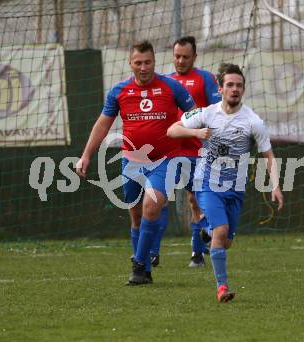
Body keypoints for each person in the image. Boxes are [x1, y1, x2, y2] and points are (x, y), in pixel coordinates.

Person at [76, 40, 195, 285]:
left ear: (155, 61)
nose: (143, 67)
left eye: (148, 62)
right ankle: (145, 267)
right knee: (136, 217)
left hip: (166, 160)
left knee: (151, 206)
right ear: (130, 63)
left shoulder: (172, 87)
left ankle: (139, 266)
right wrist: (86, 155)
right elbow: (102, 124)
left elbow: (197, 115)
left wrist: (199, 134)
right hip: (131, 162)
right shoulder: (119, 91)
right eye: (138, 62)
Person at [167, 63, 284, 302]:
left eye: (239, 85)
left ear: (244, 90)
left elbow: (268, 155)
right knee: (220, 231)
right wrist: (195, 133)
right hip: (207, 182)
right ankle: (222, 288)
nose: (234, 89)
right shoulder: (206, 113)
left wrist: (275, 186)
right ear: (220, 88)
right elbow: (172, 130)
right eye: (229, 85)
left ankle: (204, 228)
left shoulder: (253, 121)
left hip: (235, 189)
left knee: (226, 242)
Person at [150, 36, 221, 268]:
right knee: (158, 200)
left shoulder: (205, 79)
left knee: (196, 201)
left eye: (185, 57)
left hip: (198, 151)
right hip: (170, 152)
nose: (180, 61)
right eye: (177, 56)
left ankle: (197, 254)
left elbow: (216, 112)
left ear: (195, 57)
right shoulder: (166, 81)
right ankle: (152, 252)